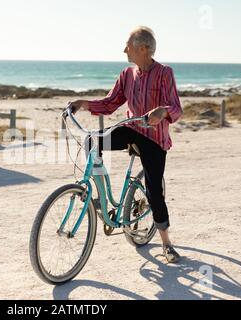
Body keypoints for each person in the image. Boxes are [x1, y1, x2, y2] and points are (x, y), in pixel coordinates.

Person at [70, 26, 183, 263]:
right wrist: (83, 104)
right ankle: (99, 196)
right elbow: (110, 103)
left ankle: (166, 243)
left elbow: (176, 107)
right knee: (92, 139)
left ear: (143, 49)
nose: (124, 50)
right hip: (131, 129)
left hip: (154, 138)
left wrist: (162, 111)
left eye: (128, 46)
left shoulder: (164, 73)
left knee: (154, 192)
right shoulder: (126, 74)